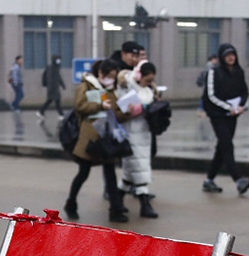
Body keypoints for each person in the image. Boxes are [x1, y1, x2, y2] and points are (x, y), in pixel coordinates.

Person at [64, 59, 131, 223]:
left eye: (113, 77)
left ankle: (115, 210)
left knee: (110, 174)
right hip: (90, 137)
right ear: (100, 73)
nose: (111, 80)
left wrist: (128, 111)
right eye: (109, 76)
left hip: (107, 137)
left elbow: (116, 114)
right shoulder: (86, 85)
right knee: (83, 172)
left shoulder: (112, 90)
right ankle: (71, 204)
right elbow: (79, 106)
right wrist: (100, 106)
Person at [201, 43, 249, 195]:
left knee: (222, 147)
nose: (231, 58)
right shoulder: (213, 72)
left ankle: (209, 180)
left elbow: (245, 92)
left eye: (233, 55)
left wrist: (242, 106)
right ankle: (238, 179)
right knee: (227, 145)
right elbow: (210, 95)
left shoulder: (238, 71)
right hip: (217, 115)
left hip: (233, 115)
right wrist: (228, 107)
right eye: (227, 55)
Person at [119, 61, 158, 218]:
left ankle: (117, 200)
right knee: (140, 168)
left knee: (131, 172)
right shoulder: (126, 86)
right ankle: (145, 204)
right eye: (147, 80)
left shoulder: (148, 89)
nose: (148, 83)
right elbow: (123, 109)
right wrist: (141, 107)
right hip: (131, 132)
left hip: (144, 133)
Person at [37, 55, 66, 119]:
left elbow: (57, 77)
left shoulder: (52, 67)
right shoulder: (53, 68)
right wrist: (61, 85)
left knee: (50, 100)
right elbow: (56, 78)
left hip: (52, 87)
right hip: (53, 88)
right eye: (58, 60)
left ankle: (41, 111)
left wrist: (62, 85)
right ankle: (61, 114)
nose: (59, 61)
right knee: (56, 101)